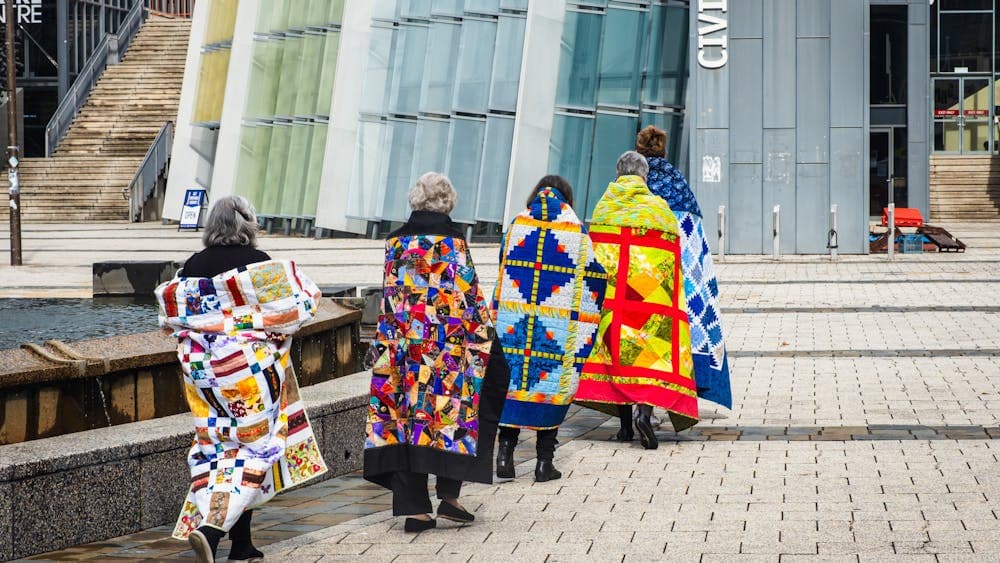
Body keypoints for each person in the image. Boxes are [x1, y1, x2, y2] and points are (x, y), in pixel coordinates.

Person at [155, 195, 328, 563]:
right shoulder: (258, 265)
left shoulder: (191, 267)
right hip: (249, 376)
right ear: (246, 224)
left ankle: (240, 545)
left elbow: (174, 315)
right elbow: (295, 310)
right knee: (258, 449)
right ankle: (212, 531)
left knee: (220, 452)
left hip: (202, 378)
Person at [364, 172, 511, 532]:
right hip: (447, 351)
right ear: (448, 202)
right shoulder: (454, 242)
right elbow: (470, 299)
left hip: (402, 350)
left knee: (405, 418)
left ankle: (415, 509)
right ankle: (449, 495)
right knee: (461, 406)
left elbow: (392, 300)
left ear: (415, 199)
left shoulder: (394, 242)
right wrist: (484, 343)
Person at [575, 151, 699, 450]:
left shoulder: (604, 207)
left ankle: (625, 428)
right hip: (650, 299)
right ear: (644, 176)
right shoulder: (658, 209)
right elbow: (672, 258)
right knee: (648, 358)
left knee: (616, 357)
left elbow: (595, 257)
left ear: (618, 174)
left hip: (614, 302)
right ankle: (645, 413)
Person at [492, 175, 607, 482]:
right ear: (567, 197)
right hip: (556, 330)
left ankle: (505, 456)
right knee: (553, 384)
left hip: (515, 325)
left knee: (513, 383)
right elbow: (595, 274)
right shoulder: (575, 230)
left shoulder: (518, 223)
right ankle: (544, 463)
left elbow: (503, 261)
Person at [636, 126, 732, 411]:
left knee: (646, 340)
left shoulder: (637, 193)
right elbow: (697, 248)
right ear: (664, 152)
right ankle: (679, 396)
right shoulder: (681, 189)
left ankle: (644, 406)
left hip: (647, 281)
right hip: (685, 285)